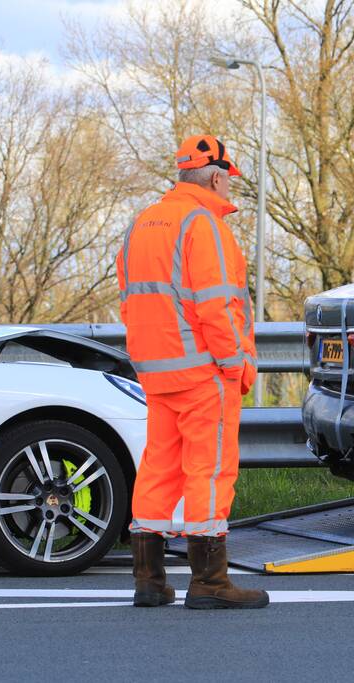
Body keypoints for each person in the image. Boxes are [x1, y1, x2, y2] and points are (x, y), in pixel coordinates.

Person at [117, 134, 267, 609]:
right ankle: (210, 582)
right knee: (210, 470)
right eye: (229, 183)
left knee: (159, 467)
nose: (230, 192)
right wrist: (236, 363)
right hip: (205, 372)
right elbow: (218, 306)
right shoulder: (205, 225)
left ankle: (149, 578)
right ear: (218, 175)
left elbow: (129, 296)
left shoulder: (143, 223)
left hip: (156, 369)